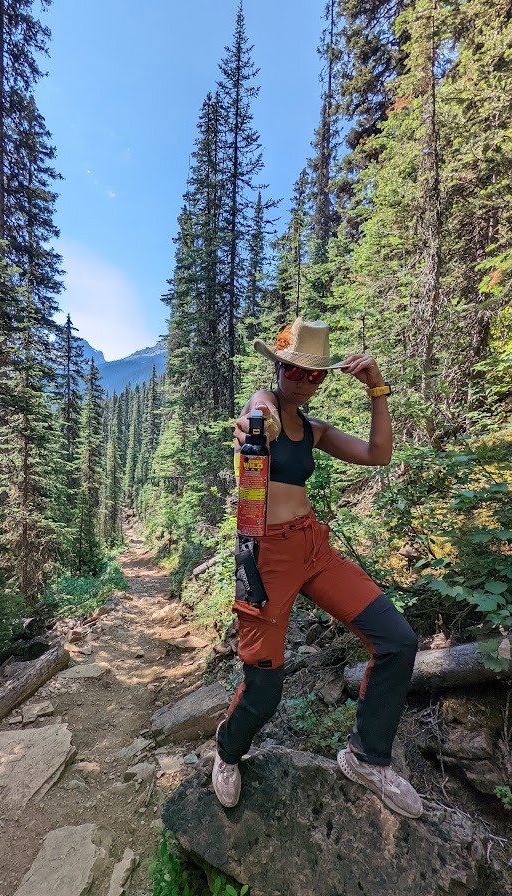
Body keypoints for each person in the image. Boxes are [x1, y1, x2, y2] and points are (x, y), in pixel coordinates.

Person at [212, 318, 423, 819]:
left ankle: (367, 759)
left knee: (397, 641)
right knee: (265, 687)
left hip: (313, 548)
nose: (302, 382)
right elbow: (256, 416)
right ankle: (227, 750)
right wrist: (253, 429)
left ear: (323, 379)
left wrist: (376, 388)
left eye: (314, 375)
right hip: (266, 558)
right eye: (293, 371)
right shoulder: (262, 404)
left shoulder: (314, 430)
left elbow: (378, 454)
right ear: (277, 368)